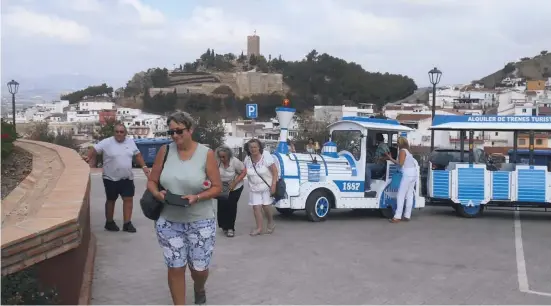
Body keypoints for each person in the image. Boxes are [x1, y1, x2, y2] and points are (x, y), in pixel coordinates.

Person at [146, 111, 221, 305]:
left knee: (199, 269)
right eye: (171, 132)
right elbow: (152, 181)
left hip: (200, 220)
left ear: (191, 130)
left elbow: (217, 187)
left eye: (179, 131)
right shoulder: (165, 151)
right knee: (175, 267)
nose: (175, 136)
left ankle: (199, 287)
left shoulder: (206, 154)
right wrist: (157, 194)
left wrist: (197, 197)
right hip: (169, 221)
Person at [84, 123, 149, 233]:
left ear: (125, 133)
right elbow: (94, 149)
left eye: (121, 132)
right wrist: (88, 157)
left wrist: (144, 167)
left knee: (128, 199)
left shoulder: (130, 142)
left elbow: (137, 155)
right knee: (111, 200)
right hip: (110, 178)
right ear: (114, 132)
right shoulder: (107, 142)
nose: (119, 134)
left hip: (127, 177)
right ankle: (109, 223)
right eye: (117, 132)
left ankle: (127, 223)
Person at [243, 139, 279, 236]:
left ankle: (271, 222)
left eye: (255, 147)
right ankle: (259, 228)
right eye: (251, 147)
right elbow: (244, 171)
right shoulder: (247, 158)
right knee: (256, 207)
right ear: (248, 148)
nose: (253, 149)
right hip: (254, 187)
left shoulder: (266, 156)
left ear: (259, 147)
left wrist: (274, 185)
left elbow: (275, 171)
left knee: (266, 206)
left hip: (266, 186)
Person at [215, 145, 247, 237]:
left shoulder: (235, 162)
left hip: (235, 187)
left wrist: (235, 182)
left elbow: (244, 172)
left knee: (231, 206)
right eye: (220, 156)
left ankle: (230, 228)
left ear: (228, 155)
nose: (222, 158)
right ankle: (224, 225)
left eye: (224, 156)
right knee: (222, 206)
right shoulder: (217, 162)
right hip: (222, 187)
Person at [387, 137, 419, 223]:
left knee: (400, 195)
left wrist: (391, 159)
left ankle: (397, 216)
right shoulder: (409, 151)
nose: (397, 144)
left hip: (407, 174)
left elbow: (400, 164)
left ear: (400, 143)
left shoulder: (402, 151)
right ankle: (407, 215)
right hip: (413, 173)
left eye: (397, 143)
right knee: (409, 195)